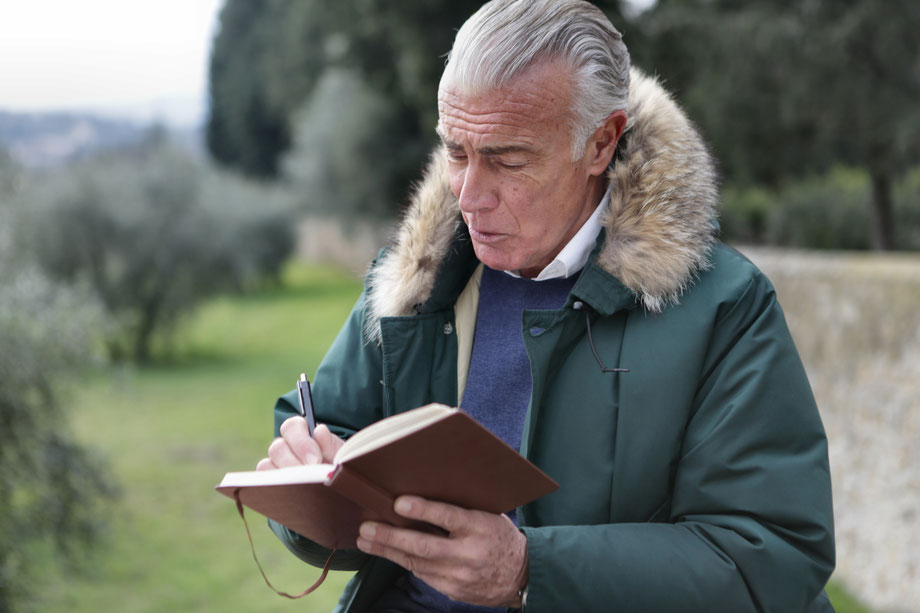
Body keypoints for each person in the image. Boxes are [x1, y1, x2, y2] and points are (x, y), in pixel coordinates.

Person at [256, 0, 836, 611]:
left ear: (601, 143)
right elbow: (318, 432)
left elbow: (770, 553)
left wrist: (532, 572)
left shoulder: (726, 309)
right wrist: (304, 488)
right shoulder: (411, 283)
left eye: (508, 160)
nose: (470, 196)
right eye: (456, 152)